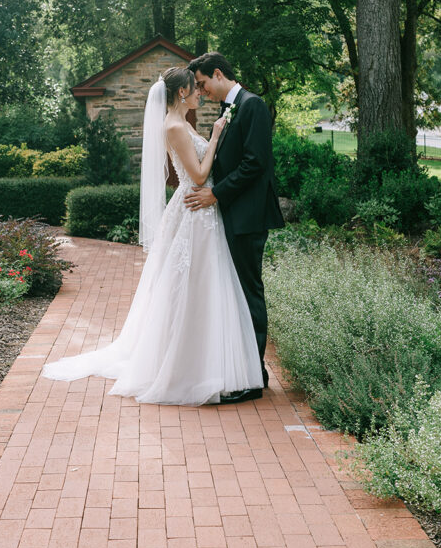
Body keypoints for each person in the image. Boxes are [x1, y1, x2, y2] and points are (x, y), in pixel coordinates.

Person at [41, 66, 264, 406]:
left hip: (202, 213)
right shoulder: (175, 127)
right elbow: (200, 176)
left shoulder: (181, 123)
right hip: (195, 210)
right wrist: (216, 136)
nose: (199, 93)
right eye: (195, 88)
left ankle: (217, 361)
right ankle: (188, 365)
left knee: (207, 288)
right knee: (193, 289)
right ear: (181, 93)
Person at [185, 52, 284, 403]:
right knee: (239, 293)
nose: (202, 90)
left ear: (217, 73)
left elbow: (255, 163)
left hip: (248, 216)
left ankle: (253, 378)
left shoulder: (252, 105)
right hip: (235, 214)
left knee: (248, 293)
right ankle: (248, 370)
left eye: (202, 83)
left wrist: (216, 194)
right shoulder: (231, 107)